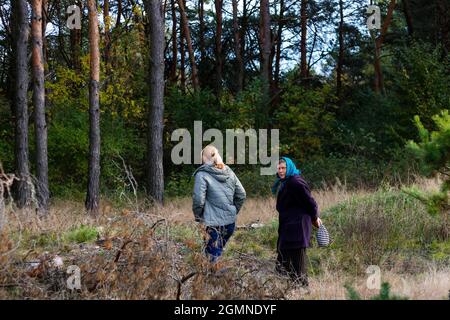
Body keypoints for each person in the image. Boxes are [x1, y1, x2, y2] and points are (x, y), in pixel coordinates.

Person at [272, 157, 322, 287]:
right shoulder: (286, 182)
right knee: (282, 262)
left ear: (289, 167)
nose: (281, 171)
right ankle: (289, 288)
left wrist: (314, 218)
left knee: (298, 263)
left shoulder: (295, 182)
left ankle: (303, 291)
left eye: (283, 168)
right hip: (289, 227)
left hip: (298, 227)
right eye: (279, 168)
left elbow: (310, 202)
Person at [192, 145, 246, 263]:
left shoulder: (202, 174)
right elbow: (242, 194)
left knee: (212, 256)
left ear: (204, 159)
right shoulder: (229, 172)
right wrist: (232, 211)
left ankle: (212, 279)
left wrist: (198, 216)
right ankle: (216, 277)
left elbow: (198, 200)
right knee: (217, 252)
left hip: (213, 224)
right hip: (230, 224)